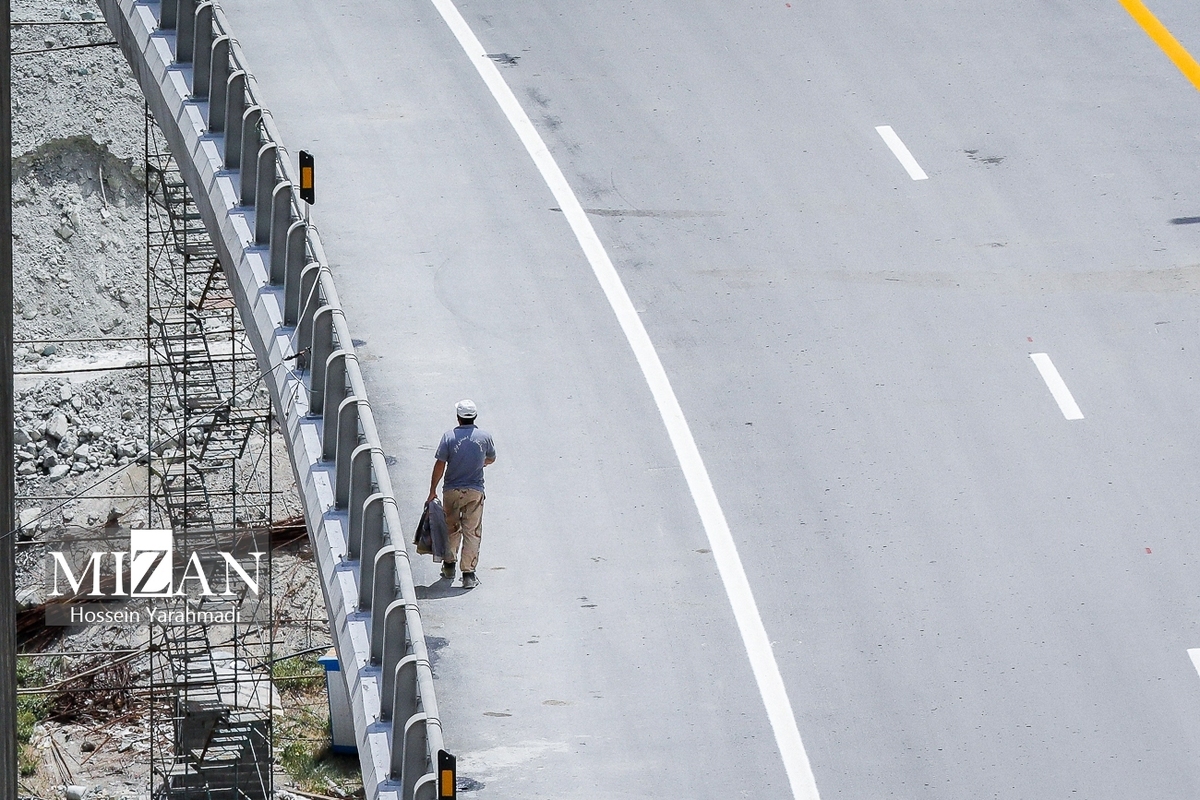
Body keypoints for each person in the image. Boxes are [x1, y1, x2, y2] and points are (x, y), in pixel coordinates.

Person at [427, 400, 496, 589]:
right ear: (474, 417)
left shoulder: (449, 437)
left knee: (451, 528)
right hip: (475, 491)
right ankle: (468, 574)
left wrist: (432, 490)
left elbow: (440, 464)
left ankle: (449, 565)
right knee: (472, 531)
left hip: (451, 490)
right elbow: (491, 458)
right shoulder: (485, 437)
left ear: (458, 418)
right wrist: (479, 463)